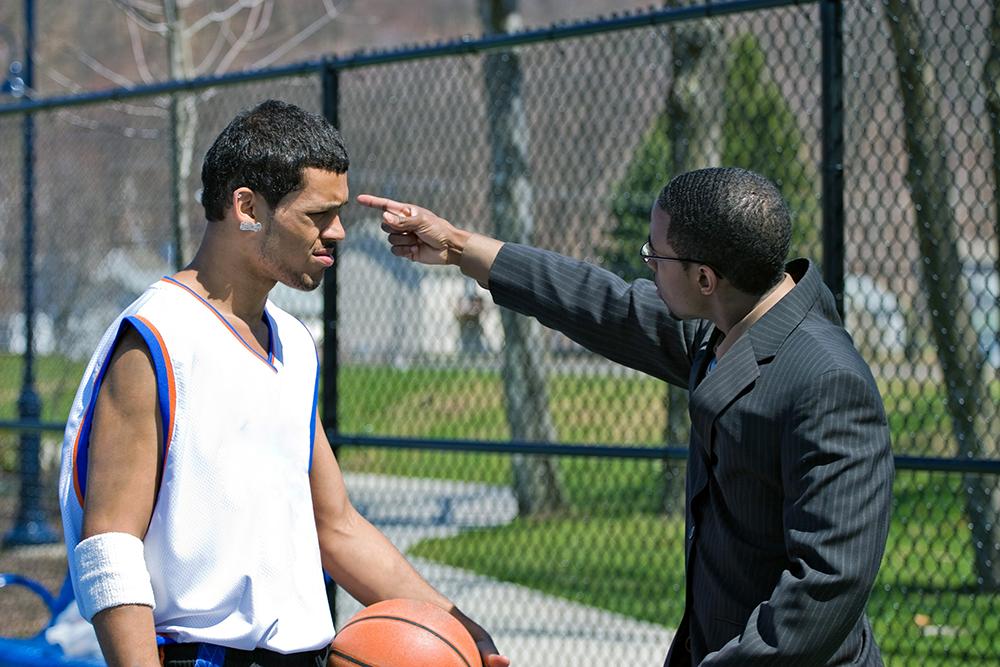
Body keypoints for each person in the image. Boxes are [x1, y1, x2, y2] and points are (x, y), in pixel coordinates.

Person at [358, 166, 895, 666]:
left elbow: (826, 584)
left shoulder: (827, 381)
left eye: (655, 256)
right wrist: (457, 246)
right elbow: (603, 303)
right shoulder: (728, 324)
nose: (648, 266)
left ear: (705, 278)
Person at [58, 100, 509, 667]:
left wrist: (459, 626)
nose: (338, 232)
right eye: (318, 215)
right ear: (246, 207)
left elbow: (336, 525)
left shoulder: (293, 343)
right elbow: (110, 546)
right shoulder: (156, 338)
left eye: (339, 213)